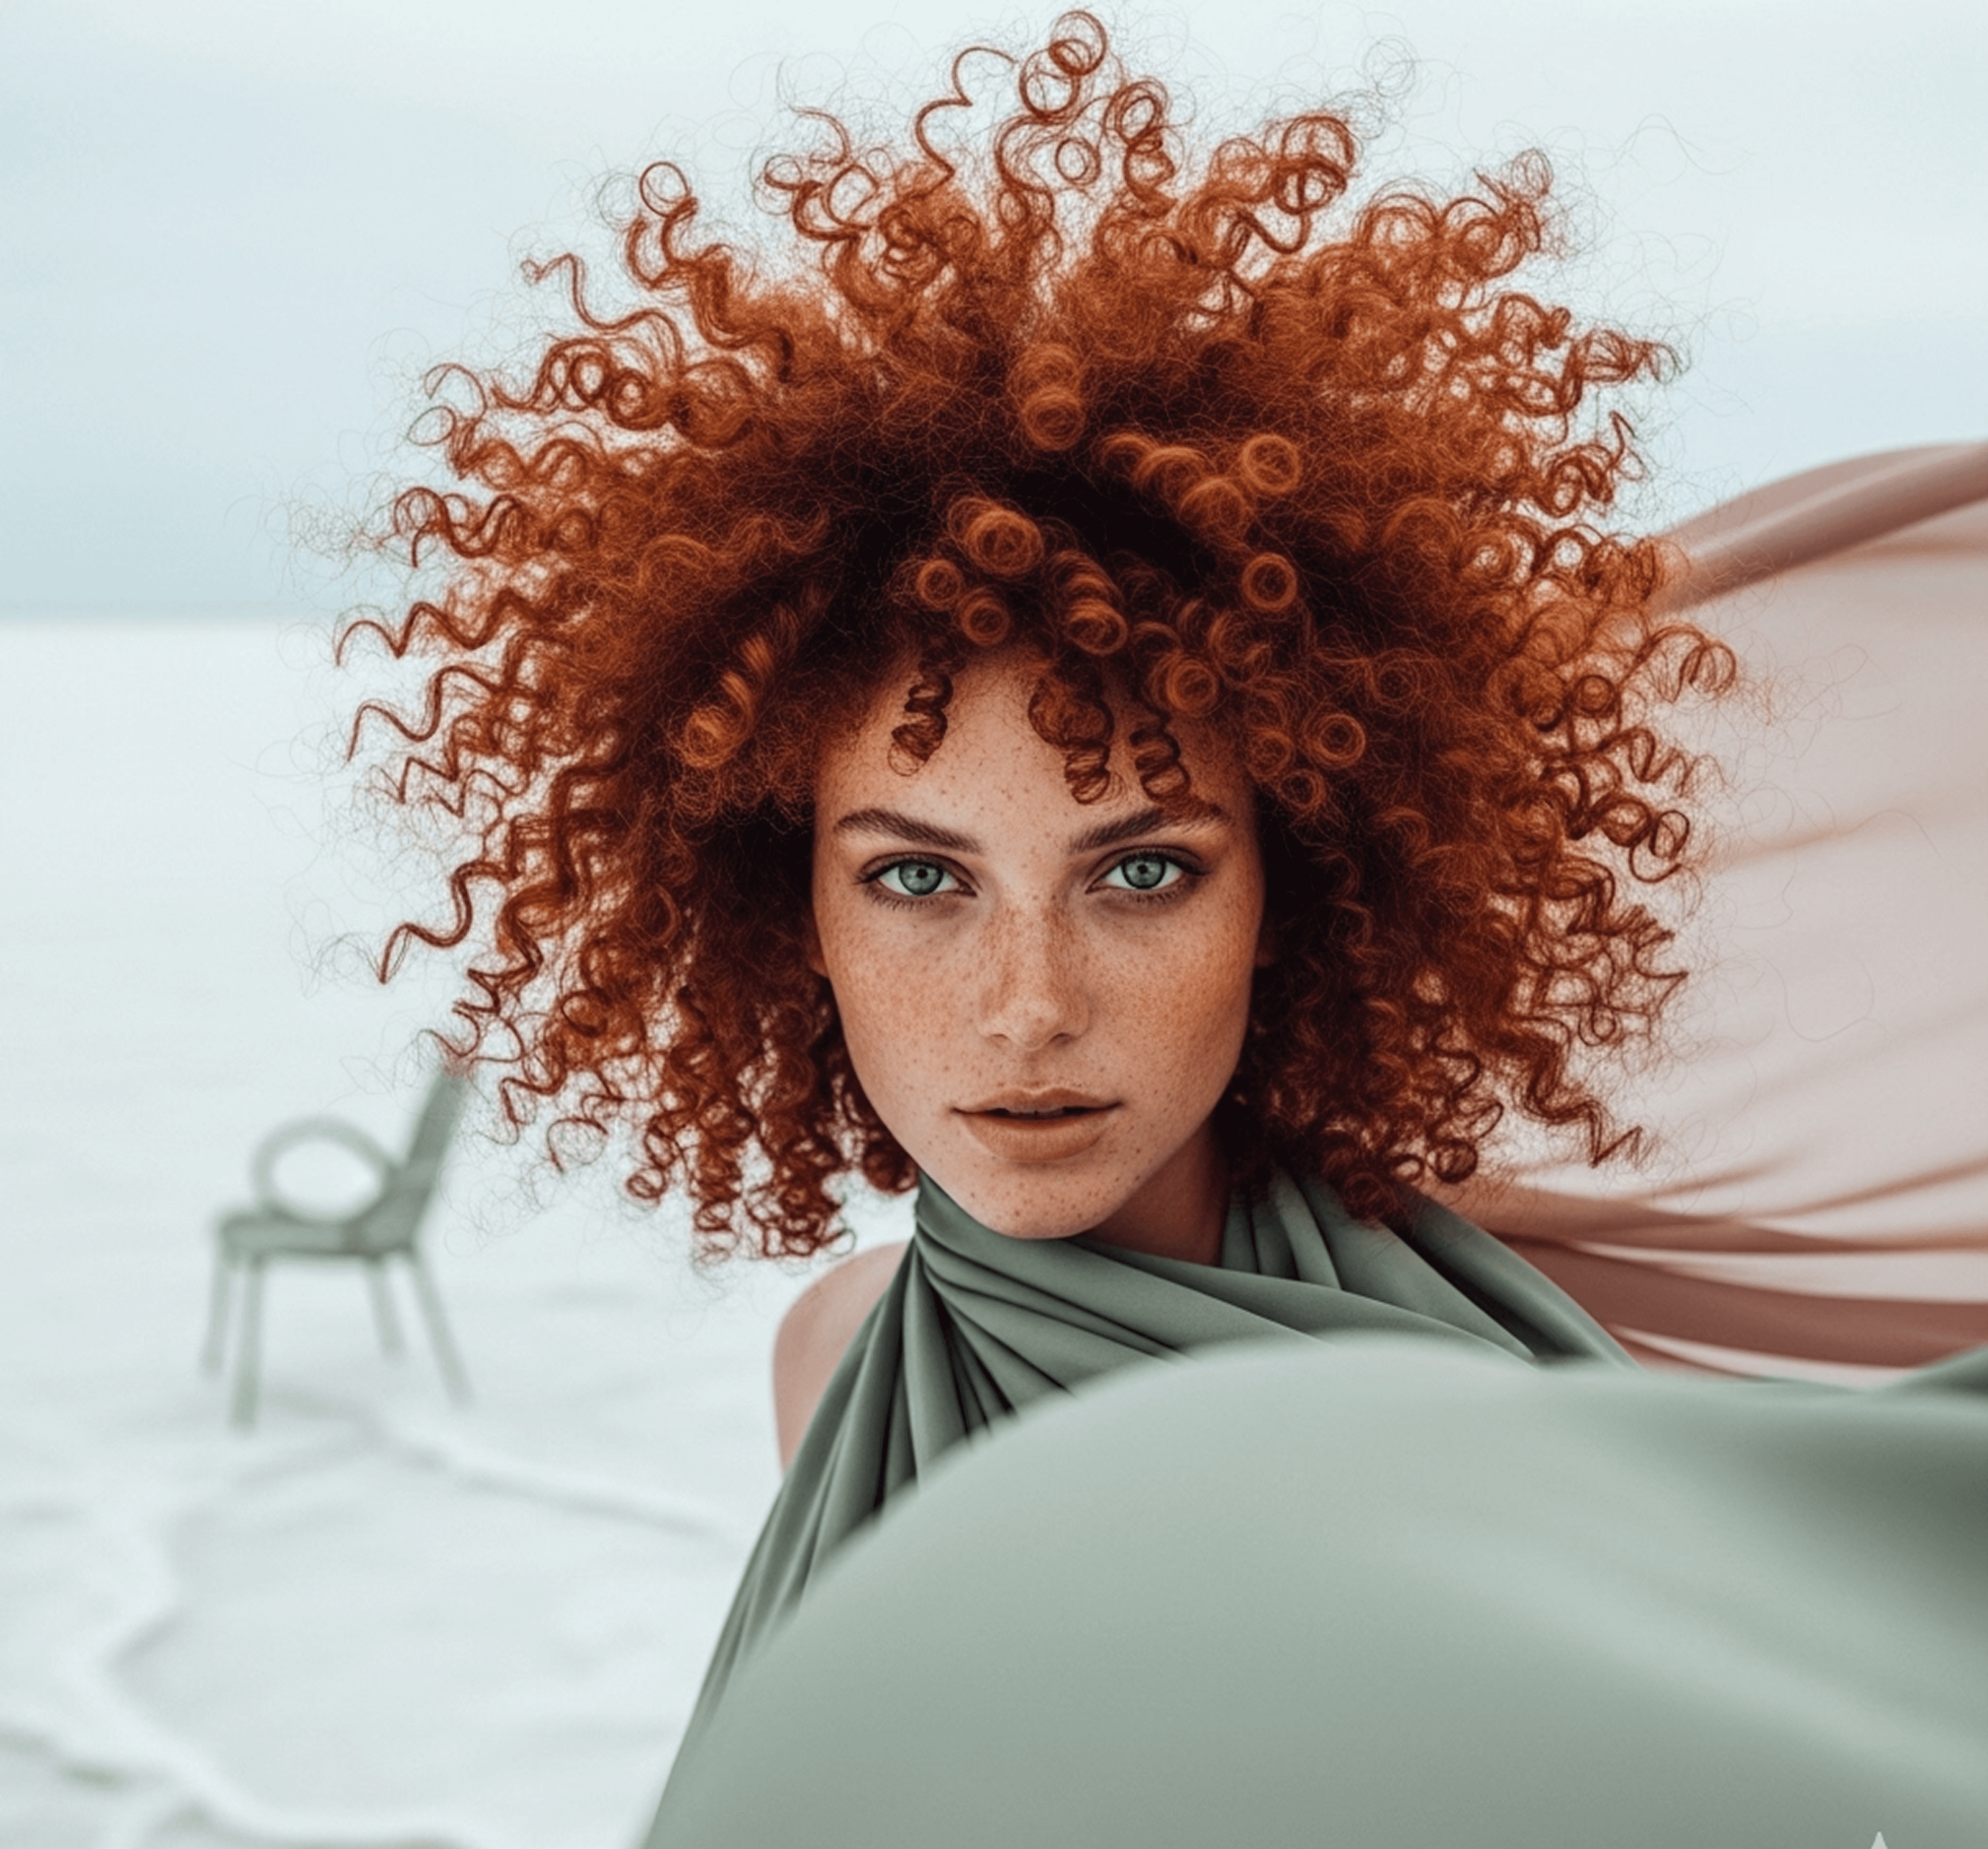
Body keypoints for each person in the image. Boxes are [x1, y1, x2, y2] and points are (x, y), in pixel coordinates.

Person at [342, 11, 1987, 1830]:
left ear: (1298, 885)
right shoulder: (832, 1358)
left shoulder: (1481, 1402)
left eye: (1143, 869)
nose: (1024, 1007)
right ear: (779, 908)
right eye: (914, 876)